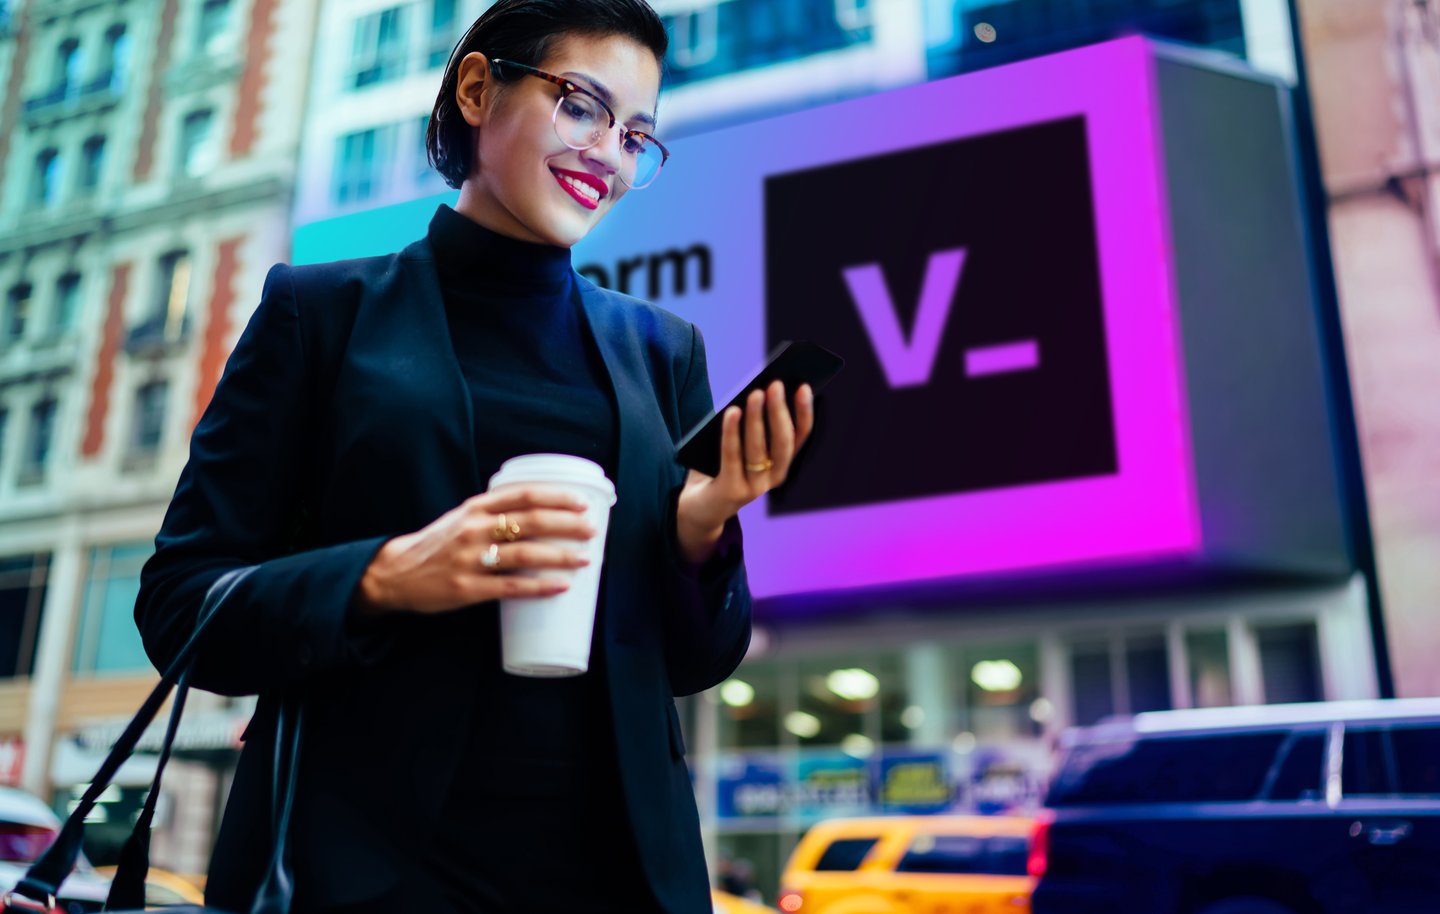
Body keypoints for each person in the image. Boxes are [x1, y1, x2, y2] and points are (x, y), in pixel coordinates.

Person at [133, 1, 815, 912]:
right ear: (477, 87)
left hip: (612, 876)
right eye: (581, 104)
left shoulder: (664, 350)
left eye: (636, 135)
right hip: (364, 873)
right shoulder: (319, 314)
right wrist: (385, 576)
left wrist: (700, 532)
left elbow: (696, 659)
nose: (608, 154)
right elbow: (181, 607)